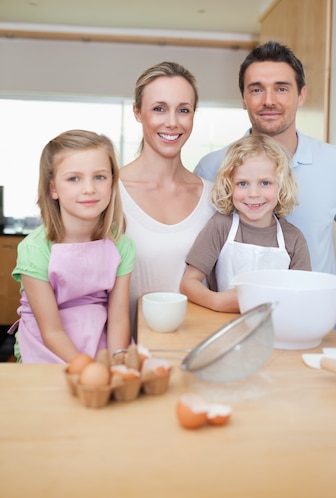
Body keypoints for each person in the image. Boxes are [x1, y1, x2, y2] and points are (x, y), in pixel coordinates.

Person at [194, 41, 336, 314]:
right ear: (243, 99)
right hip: (233, 326)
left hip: (316, 320)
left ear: (301, 95)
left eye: (281, 88)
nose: (269, 100)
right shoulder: (213, 167)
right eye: (256, 89)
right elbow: (198, 258)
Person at [10, 130, 135, 364]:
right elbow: (51, 331)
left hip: (101, 340)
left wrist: (117, 360)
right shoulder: (35, 249)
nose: (89, 188)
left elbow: (118, 319)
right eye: (73, 179)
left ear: (112, 182)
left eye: (99, 177)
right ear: (53, 189)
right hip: (47, 345)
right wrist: (85, 367)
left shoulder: (122, 246)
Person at [119, 62, 216, 337]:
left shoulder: (214, 197)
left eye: (183, 110)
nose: (172, 122)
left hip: (196, 353)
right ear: (138, 112)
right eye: (159, 108)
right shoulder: (110, 193)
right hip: (128, 358)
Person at [181, 134, 311, 312]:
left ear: (282, 186)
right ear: (229, 185)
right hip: (224, 327)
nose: (253, 193)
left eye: (265, 183)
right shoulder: (221, 226)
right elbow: (188, 283)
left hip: (277, 330)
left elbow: (304, 296)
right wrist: (218, 302)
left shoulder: (293, 239)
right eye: (242, 183)